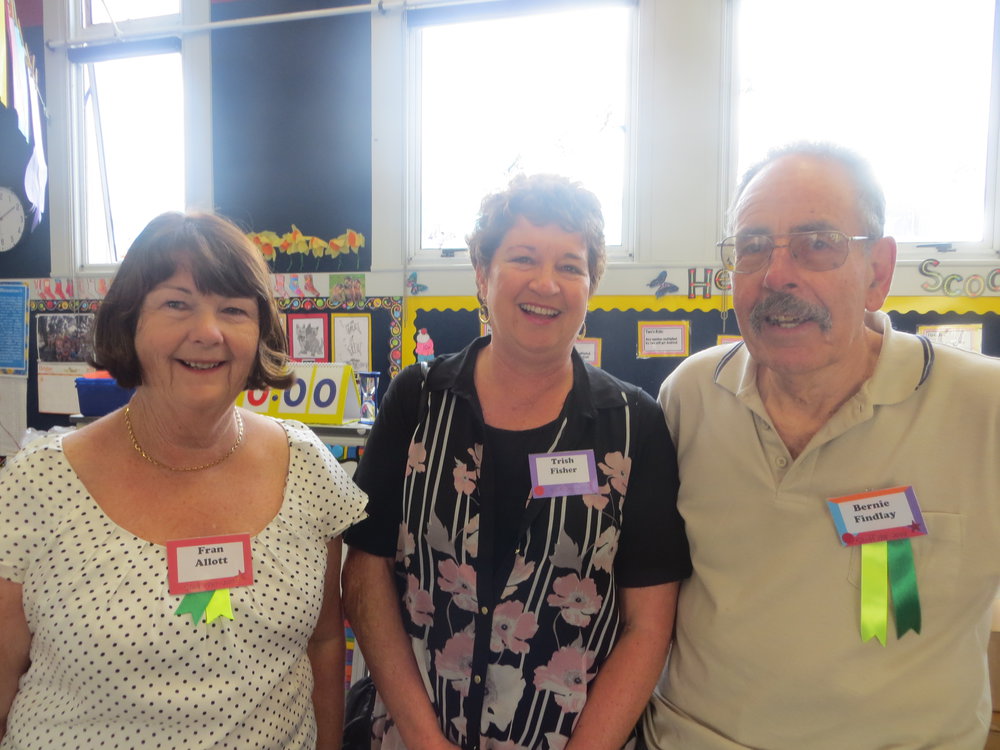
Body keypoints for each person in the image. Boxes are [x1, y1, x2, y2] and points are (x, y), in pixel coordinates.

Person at [642, 143, 1000, 749]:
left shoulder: (982, 407)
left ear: (878, 273)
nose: (776, 274)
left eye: (818, 243)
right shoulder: (691, 395)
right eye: (753, 245)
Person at [342, 174, 690, 750]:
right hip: (412, 733)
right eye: (523, 257)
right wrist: (425, 741)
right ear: (483, 274)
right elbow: (365, 574)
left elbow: (649, 625)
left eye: (571, 266)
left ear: (591, 287)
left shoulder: (635, 425)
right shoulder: (418, 400)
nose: (546, 283)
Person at [0, 212, 367, 748]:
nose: (208, 332)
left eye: (234, 309)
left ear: (259, 332)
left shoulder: (306, 467)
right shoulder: (38, 482)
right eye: (177, 304)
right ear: (131, 320)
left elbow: (325, 642)